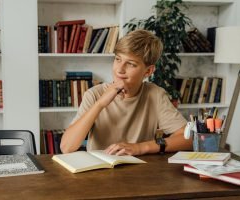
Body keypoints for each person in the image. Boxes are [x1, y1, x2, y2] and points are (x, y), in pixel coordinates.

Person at [60, 29, 193, 156]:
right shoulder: (94, 94)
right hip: (100, 171)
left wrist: (141, 147)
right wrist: (100, 104)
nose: (119, 70)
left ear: (148, 71)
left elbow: (188, 139)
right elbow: (66, 147)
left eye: (131, 64)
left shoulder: (155, 95)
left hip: (139, 171)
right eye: (118, 59)